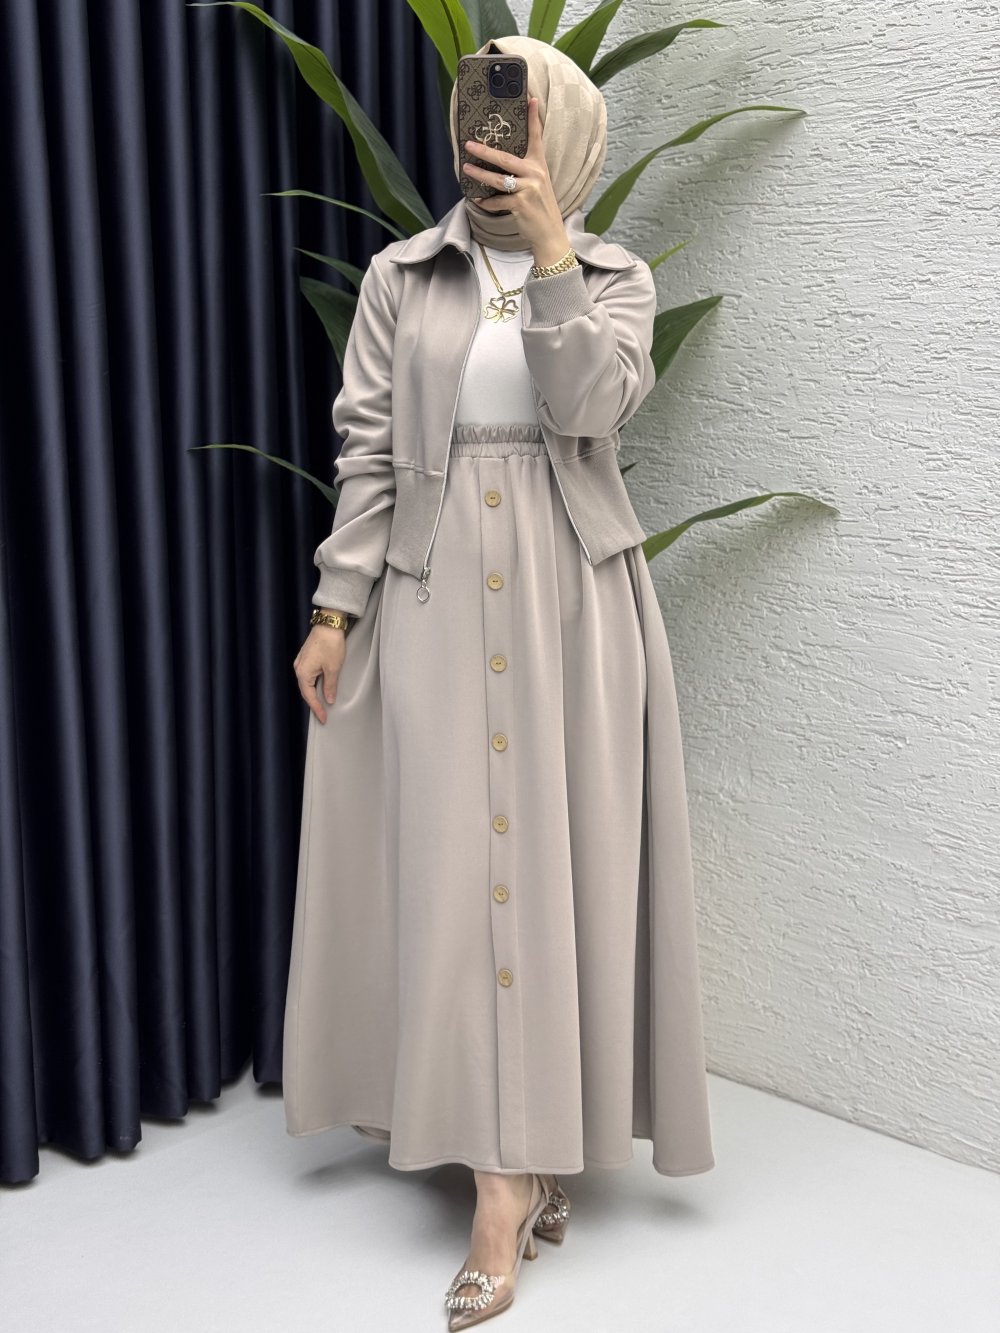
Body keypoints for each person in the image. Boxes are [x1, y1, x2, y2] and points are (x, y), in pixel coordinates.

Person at [283, 35, 715, 1327]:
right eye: (480, 118)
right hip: (425, 594)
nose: (495, 144)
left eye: (522, 124)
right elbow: (369, 448)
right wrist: (335, 607)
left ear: (561, 139)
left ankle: (508, 1181)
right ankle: (510, 1162)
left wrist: (552, 256)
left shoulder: (614, 277)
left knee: (555, 871)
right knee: (453, 875)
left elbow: (591, 409)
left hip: (570, 600)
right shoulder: (399, 278)